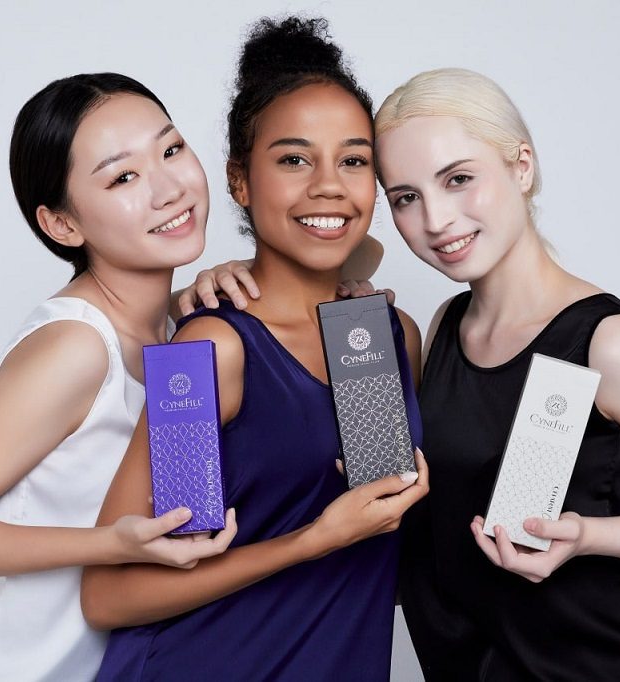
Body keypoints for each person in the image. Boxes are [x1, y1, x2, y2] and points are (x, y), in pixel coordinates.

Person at [188, 67, 620, 680]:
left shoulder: (609, 342)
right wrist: (230, 283)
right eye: (406, 197)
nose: (437, 220)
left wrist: (586, 536)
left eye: (459, 179)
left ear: (522, 166)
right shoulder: (443, 326)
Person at [81, 17, 427, 682]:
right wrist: (311, 541)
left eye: (354, 160)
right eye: (294, 159)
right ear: (240, 180)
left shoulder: (385, 339)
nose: (329, 185)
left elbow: (381, 537)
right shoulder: (211, 349)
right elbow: (110, 594)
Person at [0, 73, 238, 682]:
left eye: (171, 149)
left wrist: (237, 276)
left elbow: (360, 257)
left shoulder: (176, 334)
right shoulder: (76, 346)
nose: (170, 188)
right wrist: (114, 544)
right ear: (63, 225)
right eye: (123, 177)